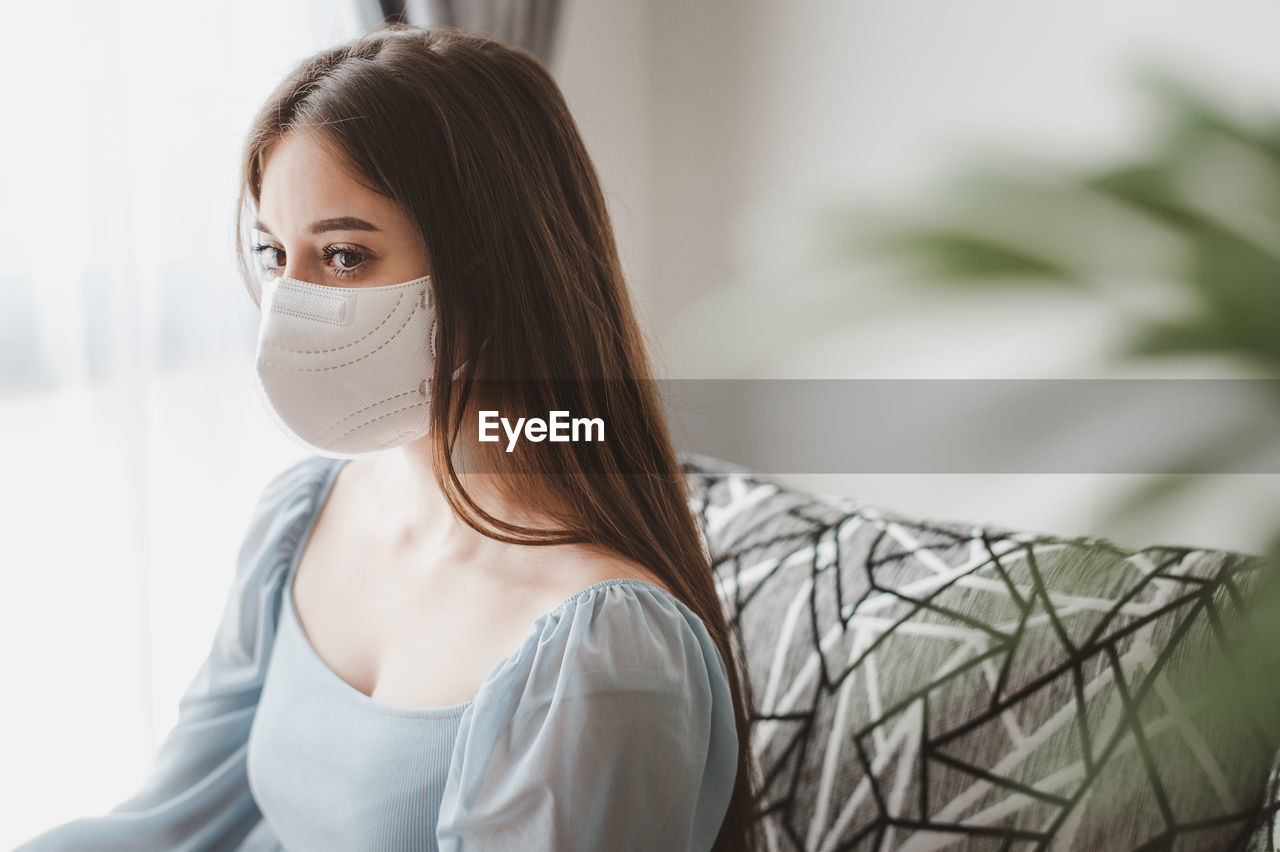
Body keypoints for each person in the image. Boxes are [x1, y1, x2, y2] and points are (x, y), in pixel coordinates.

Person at [17, 22, 762, 852]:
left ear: (488, 267)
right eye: (273, 255)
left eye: (342, 256)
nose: (288, 306)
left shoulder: (604, 653)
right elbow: (172, 823)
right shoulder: (303, 517)